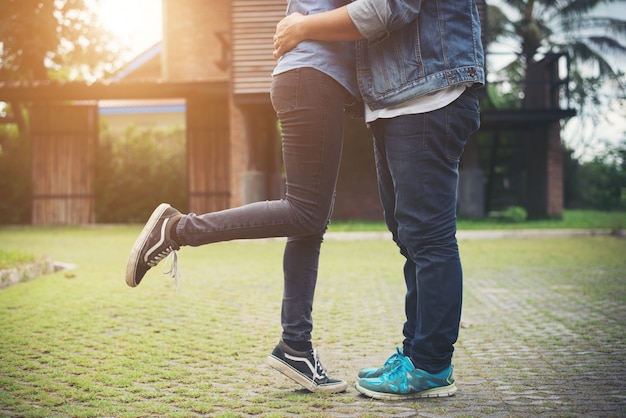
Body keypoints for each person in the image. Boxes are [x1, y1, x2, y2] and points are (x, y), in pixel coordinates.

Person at [125, 0, 359, 394]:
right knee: (306, 212)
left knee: (310, 222)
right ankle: (178, 229)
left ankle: (295, 347)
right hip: (313, 76)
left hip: (313, 78)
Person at [273, 0, 485, 400]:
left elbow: (385, 7)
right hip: (400, 99)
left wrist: (304, 27)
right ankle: (415, 352)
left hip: (428, 94)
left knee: (429, 239)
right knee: (410, 238)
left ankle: (431, 366)